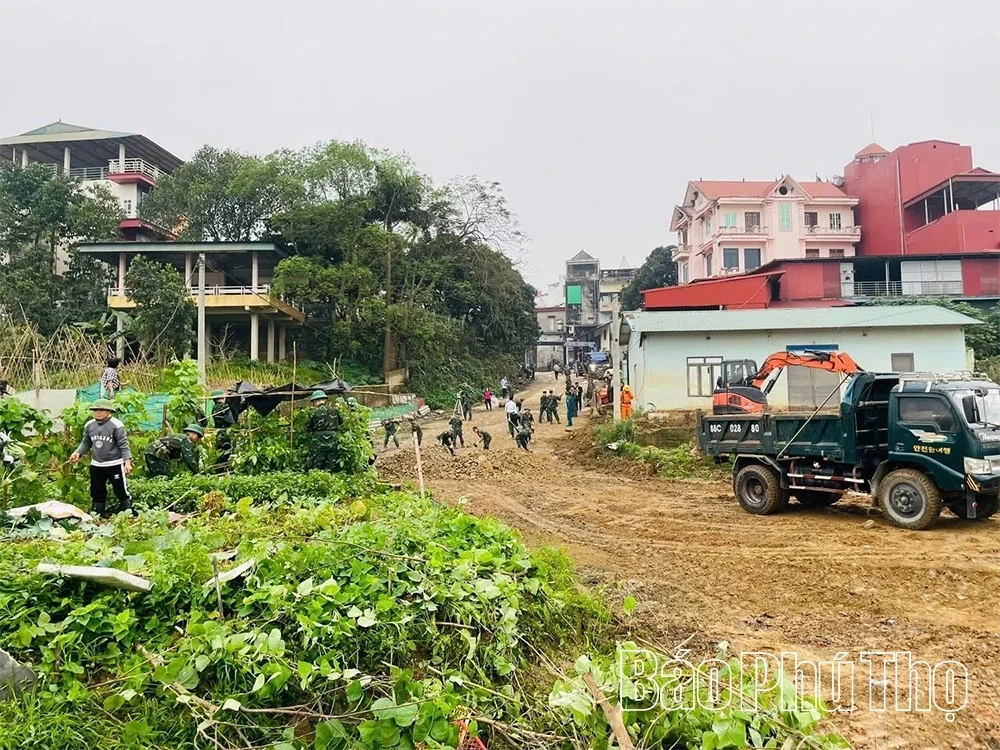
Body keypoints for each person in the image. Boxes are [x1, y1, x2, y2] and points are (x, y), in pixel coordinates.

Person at [69, 399, 133, 518]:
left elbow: (124, 445)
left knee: (120, 489)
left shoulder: (117, 425)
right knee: (97, 490)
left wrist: (127, 463)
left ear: (109, 411)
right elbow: (86, 442)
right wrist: (78, 453)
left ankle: (128, 511)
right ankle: (98, 513)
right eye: (95, 410)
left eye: (101, 410)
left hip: (115, 463)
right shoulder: (89, 425)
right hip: (97, 464)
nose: (98, 412)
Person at [304, 390, 341, 472]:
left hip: (318, 440)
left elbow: (307, 427)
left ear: (315, 401)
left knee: (315, 464)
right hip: (333, 439)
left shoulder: (313, 412)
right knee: (331, 464)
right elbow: (341, 422)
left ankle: (316, 480)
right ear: (325, 399)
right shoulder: (334, 410)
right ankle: (329, 479)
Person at [210, 389, 236, 465]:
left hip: (219, 434)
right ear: (222, 397)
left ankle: (218, 470)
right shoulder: (224, 407)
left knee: (221, 453)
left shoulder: (215, 408)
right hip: (225, 434)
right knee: (226, 454)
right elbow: (231, 421)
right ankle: (221, 470)